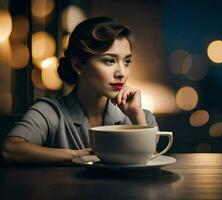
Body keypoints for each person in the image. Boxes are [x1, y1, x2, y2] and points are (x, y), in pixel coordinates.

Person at [1, 17, 158, 163]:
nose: (122, 73)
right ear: (78, 65)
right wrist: (75, 155)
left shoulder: (141, 117)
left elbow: (152, 160)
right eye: (110, 61)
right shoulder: (51, 112)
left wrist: (137, 117)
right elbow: (10, 149)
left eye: (127, 61)